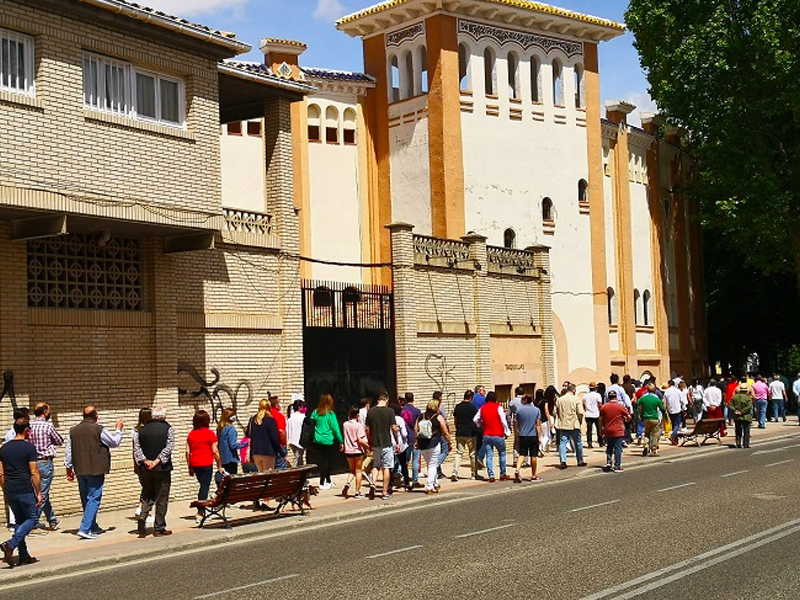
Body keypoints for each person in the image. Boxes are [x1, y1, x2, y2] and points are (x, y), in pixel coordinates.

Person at [64, 406, 123, 539]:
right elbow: (114, 442)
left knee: (86, 499)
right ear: (95, 416)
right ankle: (85, 528)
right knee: (94, 498)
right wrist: (118, 430)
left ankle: (92, 526)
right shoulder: (99, 429)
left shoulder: (73, 431)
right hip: (96, 469)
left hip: (80, 469)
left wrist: (68, 467)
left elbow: (69, 451)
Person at [0, 419, 42, 567]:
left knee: (19, 522)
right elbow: (34, 472)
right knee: (32, 519)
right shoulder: (29, 448)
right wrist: (39, 492)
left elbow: (1, 473)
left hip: (11, 489)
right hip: (25, 488)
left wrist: (5, 491)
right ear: (26, 430)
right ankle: (10, 544)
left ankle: (24, 555)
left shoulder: (4, 449)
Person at [133, 406, 174, 537]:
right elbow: (169, 447)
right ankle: (159, 527)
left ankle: (143, 516)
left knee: (147, 494)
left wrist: (145, 461)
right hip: (162, 468)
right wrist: (157, 461)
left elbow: (137, 448)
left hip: (145, 469)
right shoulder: (168, 429)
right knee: (162, 497)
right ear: (163, 416)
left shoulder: (142, 430)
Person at [28, 402, 63, 531]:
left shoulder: (30, 426)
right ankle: (33, 521)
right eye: (48, 411)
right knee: (42, 493)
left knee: (40, 492)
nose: (49, 413)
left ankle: (52, 520)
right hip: (45, 462)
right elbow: (59, 440)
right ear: (45, 412)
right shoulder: (47, 426)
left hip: (32, 463)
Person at [186, 409, 223, 522]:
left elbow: (187, 452)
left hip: (195, 463)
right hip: (206, 462)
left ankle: (203, 507)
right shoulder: (210, 433)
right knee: (204, 487)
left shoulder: (191, 434)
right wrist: (219, 465)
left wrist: (189, 466)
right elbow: (215, 451)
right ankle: (201, 513)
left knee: (203, 485)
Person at [365, 393, 398, 500]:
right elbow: (394, 427)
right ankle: (384, 491)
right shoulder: (390, 411)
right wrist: (397, 440)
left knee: (376, 465)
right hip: (386, 442)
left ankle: (373, 483)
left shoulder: (370, 412)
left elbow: (367, 429)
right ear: (387, 401)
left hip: (375, 443)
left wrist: (369, 441)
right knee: (387, 467)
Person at [473, 391, 512, 481]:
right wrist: (507, 431)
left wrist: (480, 424)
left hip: (487, 434)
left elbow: (475, 419)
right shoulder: (498, 407)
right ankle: (503, 473)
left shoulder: (483, 408)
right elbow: (503, 420)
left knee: (489, 455)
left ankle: (491, 475)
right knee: (502, 454)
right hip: (498, 434)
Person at [416, 399, 450, 494]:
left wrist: (417, 442)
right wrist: (449, 441)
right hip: (433, 443)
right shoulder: (438, 417)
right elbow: (445, 431)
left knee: (430, 464)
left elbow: (416, 429)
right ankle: (430, 486)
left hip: (423, 444)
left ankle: (435, 483)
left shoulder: (421, 416)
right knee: (432, 465)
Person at [311, 394, 343, 490]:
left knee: (325, 460)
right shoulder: (330, 414)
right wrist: (341, 440)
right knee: (326, 461)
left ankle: (328, 480)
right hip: (327, 440)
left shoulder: (315, 412)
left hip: (317, 439)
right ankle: (322, 482)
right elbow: (335, 428)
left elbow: (311, 423)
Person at [246, 399, 285, 473]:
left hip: (256, 452)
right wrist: (281, 452)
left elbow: (248, 434)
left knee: (261, 473)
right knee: (268, 475)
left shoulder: (253, 419)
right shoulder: (270, 420)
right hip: (268, 452)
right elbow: (274, 438)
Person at [555, 384, 586, 469]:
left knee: (563, 442)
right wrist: (579, 421)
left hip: (563, 424)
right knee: (578, 442)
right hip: (574, 424)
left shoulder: (559, 400)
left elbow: (555, 412)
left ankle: (563, 461)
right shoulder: (576, 399)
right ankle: (580, 460)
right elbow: (580, 412)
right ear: (574, 390)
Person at [513, 394, 542, 482]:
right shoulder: (536, 410)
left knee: (522, 454)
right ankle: (533, 475)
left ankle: (517, 470)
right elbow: (538, 425)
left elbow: (517, 423)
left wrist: (520, 430)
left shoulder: (519, 410)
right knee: (533, 455)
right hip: (533, 435)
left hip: (523, 435)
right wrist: (539, 437)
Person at [341, 407, 369, 498]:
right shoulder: (359, 425)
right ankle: (358, 491)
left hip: (348, 450)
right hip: (358, 450)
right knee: (358, 471)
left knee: (352, 470)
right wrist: (368, 447)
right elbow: (360, 440)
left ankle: (348, 484)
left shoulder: (345, 424)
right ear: (357, 415)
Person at [452, 389, 479, 481]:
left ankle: (454, 472)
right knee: (472, 453)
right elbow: (476, 420)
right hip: (470, 433)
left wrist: (458, 428)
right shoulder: (472, 408)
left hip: (460, 432)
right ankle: (473, 474)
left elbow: (455, 420)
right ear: (471, 397)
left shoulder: (458, 407)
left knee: (459, 453)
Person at [600, 390, 630, 472]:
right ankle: (617, 465)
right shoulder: (620, 406)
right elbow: (629, 416)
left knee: (609, 446)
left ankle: (609, 462)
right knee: (617, 448)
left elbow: (601, 419)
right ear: (616, 397)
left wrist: (601, 429)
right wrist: (626, 420)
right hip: (618, 429)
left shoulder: (604, 407)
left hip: (608, 429)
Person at [638, 383, 667, 457]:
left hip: (646, 418)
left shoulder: (643, 397)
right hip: (654, 417)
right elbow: (662, 408)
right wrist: (665, 416)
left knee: (646, 433)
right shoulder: (656, 398)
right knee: (654, 434)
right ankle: (653, 450)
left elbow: (637, 404)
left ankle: (645, 446)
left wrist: (639, 413)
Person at [400, 392, 422, 488]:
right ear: (413, 399)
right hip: (414, 437)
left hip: (404, 438)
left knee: (405, 460)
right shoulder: (417, 411)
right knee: (416, 459)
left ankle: (399, 473)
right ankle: (415, 480)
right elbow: (418, 426)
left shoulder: (401, 411)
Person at [217, 408, 248, 475]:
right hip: (231, 459)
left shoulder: (221, 429)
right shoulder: (231, 429)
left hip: (223, 459)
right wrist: (246, 444)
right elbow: (233, 445)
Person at [390, 400, 410, 492]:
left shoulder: (388, 419)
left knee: (390, 465)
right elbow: (404, 433)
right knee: (403, 464)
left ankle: (390, 483)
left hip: (390, 444)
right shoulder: (400, 419)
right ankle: (406, 483)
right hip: (400, 444)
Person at [731, 380, 754, 448]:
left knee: (738, 430)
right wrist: (742, 411)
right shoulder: (748, 398)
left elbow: (730, 405)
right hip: (746, 416)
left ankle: (738, 443)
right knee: (746, 431)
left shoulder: (734, 397)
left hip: (737, 416)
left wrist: (735, 410)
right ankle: (746, 443)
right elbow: (749, 406)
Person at [269, 395, 289, 469]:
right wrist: (284, 444)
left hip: (269, 447)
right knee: (281, 468)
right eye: (279, 402)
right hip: (279, 445)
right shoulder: (279, 416)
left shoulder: (267, 415)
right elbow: (281, 432)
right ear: (276, 404)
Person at [286, 399, 306, 467]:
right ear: (300, 407)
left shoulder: (290, 418)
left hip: (292, 441)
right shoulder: (302, 417)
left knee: (299, 458)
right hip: (300, 441)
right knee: (297, 459)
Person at [583, 383, 603, 448]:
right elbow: (599, 404)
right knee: (598, 429)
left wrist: (586, 410)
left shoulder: (585, 396)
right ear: (595, 388)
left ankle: (589, 442)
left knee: (589, 430)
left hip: (588, 414)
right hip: (596, 413)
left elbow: (583, 404)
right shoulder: (598, 395)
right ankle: (600, 442)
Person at [664, 380, 684, 446]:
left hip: (670, 410)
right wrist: (684, 408)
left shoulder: (666, 392)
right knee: (677, 425)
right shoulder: (677, 391)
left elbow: (665, 402)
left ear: (669, 384)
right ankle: (673, 436)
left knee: (673, 424)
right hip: (677, 409)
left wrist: (666, 409)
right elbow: (681, 400)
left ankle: (675, 439)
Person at [533, 389, 551, 456]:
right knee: (546, 435)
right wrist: (550, 421)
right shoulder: (544, 402)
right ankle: (542, 447)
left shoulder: (534, 402)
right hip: (544, 420)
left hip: (536, 421)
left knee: (539, 435)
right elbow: (546, 411)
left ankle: (540, 446)